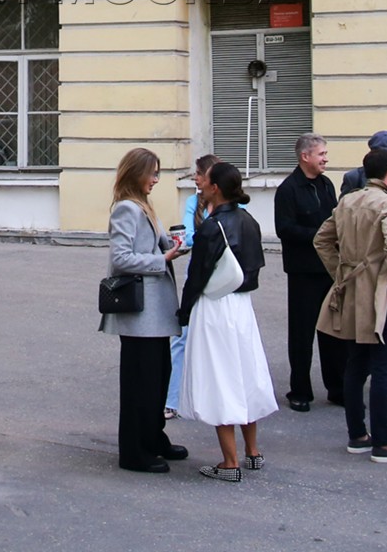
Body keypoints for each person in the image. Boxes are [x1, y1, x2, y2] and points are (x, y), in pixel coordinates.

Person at [315, 148, 387, 463]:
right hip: (380, 292)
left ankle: (358, 435)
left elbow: (321, 239)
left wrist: (341, 272)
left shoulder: (348, 201)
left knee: (356, 365)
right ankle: (384, 443)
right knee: (385, 369)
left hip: (351, 289)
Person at [176, 162, 276, 481]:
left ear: (215, 187)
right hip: (242, 306)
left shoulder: (211, 227)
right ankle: (253, 451)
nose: (200, 184)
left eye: (204, 181)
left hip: (215, 304)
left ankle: (229, 462)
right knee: (245, 372)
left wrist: (184, 310)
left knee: (221, 377)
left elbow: (197, 275)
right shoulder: (249, 221)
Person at [100, 146, 189, 473]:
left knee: (157, 377)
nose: (156, 179)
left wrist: (174, 247)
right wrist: (160, 260)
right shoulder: (126, 208)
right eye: (152, 172)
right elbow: (121, 258)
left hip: (154, 313)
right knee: (141, 383)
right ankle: (135, 452)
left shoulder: (144, 206)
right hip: (140, 313)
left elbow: (154, 244)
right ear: (136, 173)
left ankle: (153, 438)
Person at [275, 133, 345, 412]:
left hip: (329, 269)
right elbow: (284, 229)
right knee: (302, 334)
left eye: (325, 154)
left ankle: (337, 388)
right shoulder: (288, 189)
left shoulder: (327, 184)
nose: (326, 158)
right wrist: (320, 236)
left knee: (333, 331)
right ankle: (300, 390)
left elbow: (336, 218)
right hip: (303, 271)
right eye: (321, 154)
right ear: (305, 157)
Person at [166, 153, 219, 421]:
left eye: (198, 174)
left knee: (219, 339)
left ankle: (217, 396)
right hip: (196, 277)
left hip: (223, 283)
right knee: (181, 337)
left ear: (210, 178)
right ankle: (172, 399)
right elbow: (189, 234)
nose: (194, 178)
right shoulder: (192, 202)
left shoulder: (234, 207)